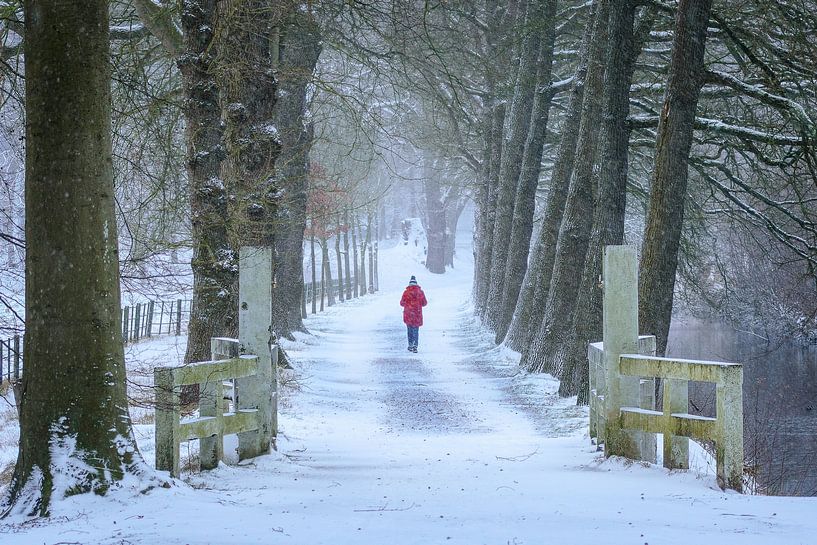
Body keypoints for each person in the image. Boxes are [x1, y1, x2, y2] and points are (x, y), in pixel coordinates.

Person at [400, 275, 427, 353]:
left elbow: (401, 303)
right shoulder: (420, 292)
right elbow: (424, 303)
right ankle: (415, 346)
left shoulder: (406, 292)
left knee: (409, 330)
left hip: (408, 314)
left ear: (409, 284)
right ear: (416, 283)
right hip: (417, 314)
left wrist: (407, 304)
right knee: (416, 330)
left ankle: (410, 345)